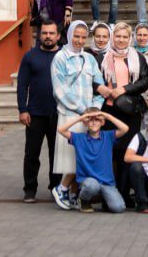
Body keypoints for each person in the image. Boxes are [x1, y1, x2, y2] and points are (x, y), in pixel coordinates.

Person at [50, 21, 102, 210]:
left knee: (81, 158)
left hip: (88, 117)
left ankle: (73, 193)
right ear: (69, 35)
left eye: (83, 37)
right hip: (70, 115)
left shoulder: (89, 59)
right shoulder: (60, 58)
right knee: (72, 158)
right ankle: (61, 188)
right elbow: (60, 91)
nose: (79, 40)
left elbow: (99, 85)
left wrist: (95, 109)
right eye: (76, 36)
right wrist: (84, 111)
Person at [99, 21, 148, 193]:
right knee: (110, 152)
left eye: (124, 37)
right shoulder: (103, 57)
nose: (121, 40)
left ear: (130, 38)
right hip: (109, 111)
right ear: (112, 37)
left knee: (127, 151)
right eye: (118, 36)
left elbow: (145, 81)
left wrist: (124, 89)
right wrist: (101, 87)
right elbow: (94, 80)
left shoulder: (138, 57)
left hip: (130, 111)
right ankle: (108, 193)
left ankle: (124, 192)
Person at [18, 19, 62, 203]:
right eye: (45, 33)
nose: (48, 36)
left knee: (56, 154)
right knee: (31, 154)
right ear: (39, 35)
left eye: (51, 33)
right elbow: (22, 85)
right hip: (35, 114)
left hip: (58, 113)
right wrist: (23, 109)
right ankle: (30, 189)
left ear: (58, 36)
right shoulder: (30, 57)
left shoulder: (64, 55)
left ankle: (56, 188)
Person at [58, 107, 129, 213]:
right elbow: (61, 130)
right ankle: (83, 200)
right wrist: (81, 118)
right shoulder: (79, 138)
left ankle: (100, 198)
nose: (94, 122)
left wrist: (107, 116)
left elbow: (125, 128)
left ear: (102, 122)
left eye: (97, 120)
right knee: (92, 185)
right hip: (89, 181)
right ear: (85, 123)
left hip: (106, 182)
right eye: (90, 120)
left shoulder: (108, 136)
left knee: (119, 207)